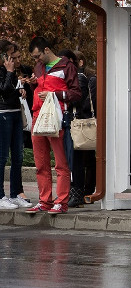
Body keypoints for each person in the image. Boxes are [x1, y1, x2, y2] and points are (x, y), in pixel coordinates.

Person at [25, 37, 81, 215]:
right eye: (34, 58)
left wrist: (55, 94)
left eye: (37, 56)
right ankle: (45, 201)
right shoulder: (39, 68)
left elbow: (77, 94)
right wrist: (34, 83)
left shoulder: (66, 66)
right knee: (41, 163)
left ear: (47, 50)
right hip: (38, 117)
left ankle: (61, 201)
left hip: (56, 118)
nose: (36, 60)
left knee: (60, 163)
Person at [0, 40, 32, 209]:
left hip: (16, 113)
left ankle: (15, 193)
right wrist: (10, 72)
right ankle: (0, 196)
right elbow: (3, 90)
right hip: (3, 114)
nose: (15, 61)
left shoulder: (11, 71)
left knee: (18, 156)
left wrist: (20, 90)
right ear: (5, 56)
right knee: (3, 156)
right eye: (12, 56)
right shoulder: (3, 71)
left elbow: (10, 90)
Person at [68, 51, 97, 208]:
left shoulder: (87, 79)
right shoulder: (79, 78)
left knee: (87, 159)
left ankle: (86, 190)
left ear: (80, 62)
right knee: (80, 158)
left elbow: (87, 101)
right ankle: (80, 191)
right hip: (80, 122)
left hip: (84, 123)